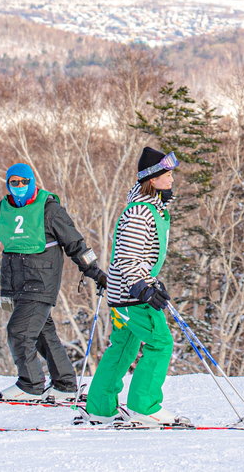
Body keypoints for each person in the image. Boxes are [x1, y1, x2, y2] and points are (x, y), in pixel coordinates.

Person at [0, 161, 108, 402]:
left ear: (32, 182)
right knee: (43, 332)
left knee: (19, 331)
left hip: (41, 279)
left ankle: (31, 384)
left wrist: (94, 271)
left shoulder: (49, 209)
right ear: (8, 184)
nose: (20, 186)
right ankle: (65, 385)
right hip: (14, 281)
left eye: (24, 182)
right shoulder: (2, 210)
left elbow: (75, 243)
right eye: (14, 183)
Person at [76, 147, 191, 428]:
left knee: (124, 346)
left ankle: (101, 407)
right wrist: (142, 287)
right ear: (152, 179)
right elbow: (128, 256)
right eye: (167, 174)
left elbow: (139, 257)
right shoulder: (141, 211)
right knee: (160, 342)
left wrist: (150, 281)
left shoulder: (147, 206)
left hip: (123, 292)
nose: (172, 179)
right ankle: (144, 405)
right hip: (131, 294)